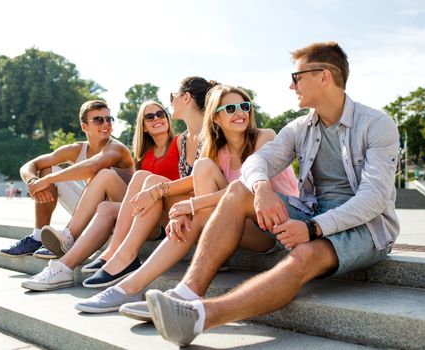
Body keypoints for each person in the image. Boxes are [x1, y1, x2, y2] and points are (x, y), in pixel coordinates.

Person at [144, 41, 401, 347]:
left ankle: (200, 316)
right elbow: (258, 162)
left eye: (297, 77)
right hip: (313, 211)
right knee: (240, 190)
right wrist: (262, 188)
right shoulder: (299, 128)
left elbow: (373, 199)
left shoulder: (377, 125)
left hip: (366, 228)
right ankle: (185, 295)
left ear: (324, 77)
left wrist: (313, 228)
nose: (291, 86)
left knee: (306, 254)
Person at [72, 84, 299, 314]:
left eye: (244, 106)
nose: (239, 112)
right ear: (216, 117)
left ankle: (129, 286)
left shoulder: (265, 137)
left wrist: (190, 206)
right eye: (230, 108)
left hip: (275, 227)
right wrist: (159, 192)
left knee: (196, 212)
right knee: (200, 168)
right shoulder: (218, 151)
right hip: (238, 224)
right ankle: (129, 283)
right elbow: (195, 182)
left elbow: (244, 189)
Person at [21, 76, 215, 292]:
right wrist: (34, 179)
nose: (156, 118)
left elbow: (96, 165)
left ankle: (92, 245)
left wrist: (156, 190)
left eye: (160, 113)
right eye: (149, 117)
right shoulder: (144, 155)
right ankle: (64, 266)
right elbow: (36, 164)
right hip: (148, 208)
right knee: (107, 205)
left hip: (169, 212)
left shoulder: (180, 141)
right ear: (143, 126)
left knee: (131, 177)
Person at [0, 100, 134, 258]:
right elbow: (31, 164)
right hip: (90, 210)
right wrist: (33, 182)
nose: (106, 123)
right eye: (98, 119)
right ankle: (37, 237)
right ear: (85, 127)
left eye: (108, 119)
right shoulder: (76, 149)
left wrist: (47, 180)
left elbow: (92, 167)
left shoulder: (117, 148)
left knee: (56, 176)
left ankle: (68, 237)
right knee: (46, 169)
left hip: (119, 213)